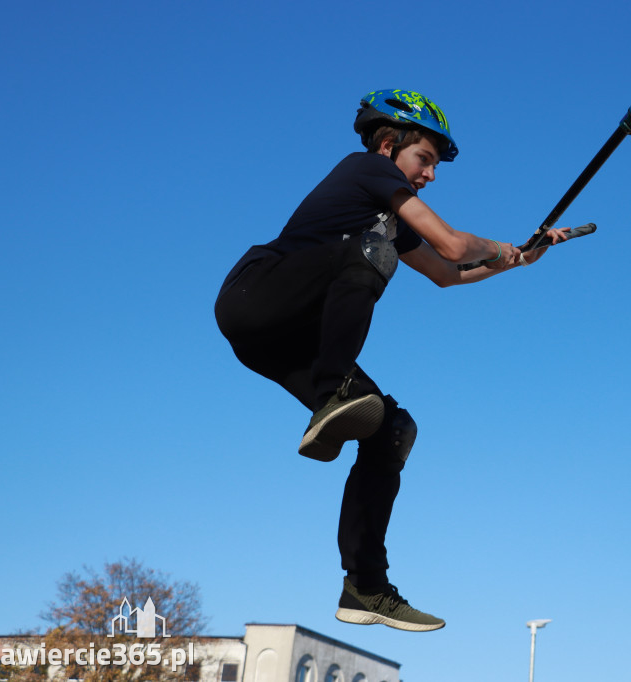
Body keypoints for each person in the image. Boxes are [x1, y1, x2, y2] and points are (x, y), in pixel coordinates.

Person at [214, 88, 568, 632]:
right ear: (388, 145)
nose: (428, 175)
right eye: (423, 159)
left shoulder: (388, 217)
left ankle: (366, 588)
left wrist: (520, 260)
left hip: (280, 343)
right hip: (256, 296)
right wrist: (501, 248)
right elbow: (452, 245)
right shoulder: (365, 171)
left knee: (391, 428)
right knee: (371, 247)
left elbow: (448, 275)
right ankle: (336, 391)